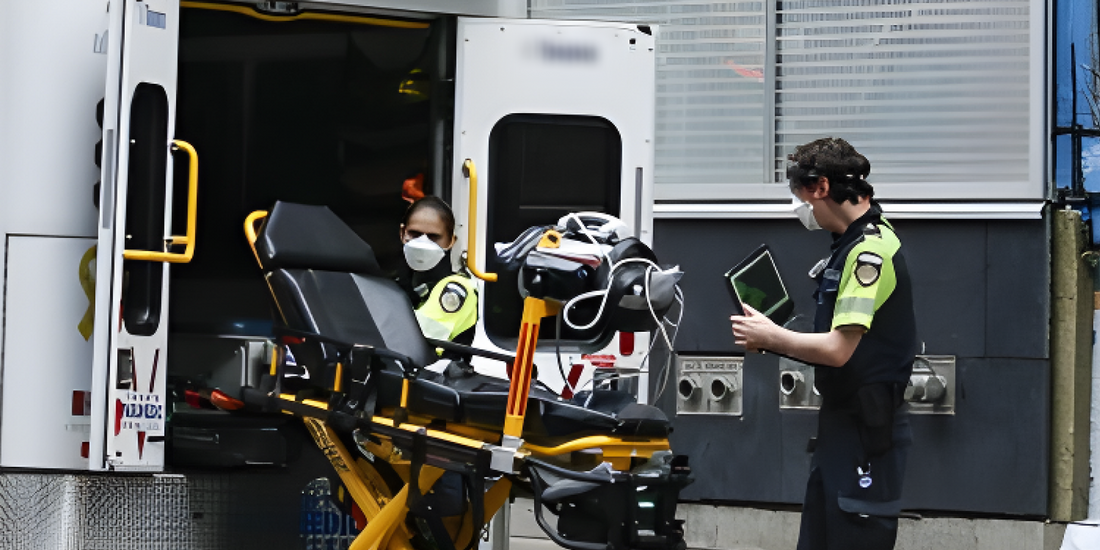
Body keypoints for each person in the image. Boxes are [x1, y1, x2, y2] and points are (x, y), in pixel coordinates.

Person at [730, 138, 918, 550]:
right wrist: (777, 338)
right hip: (844, 426)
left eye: (802, 198)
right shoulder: (851, 242)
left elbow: (838, 350)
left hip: (865, 432)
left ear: (821, 187)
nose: (803, 210)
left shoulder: (869, 253)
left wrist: (771, 336)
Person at [396, 196, 479, 350]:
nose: (422, 243)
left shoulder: (457, 288)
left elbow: (410, 343)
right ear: (402, 233)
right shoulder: (399, 284)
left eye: (433, 237)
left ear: (451, 241)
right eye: (415, 234)